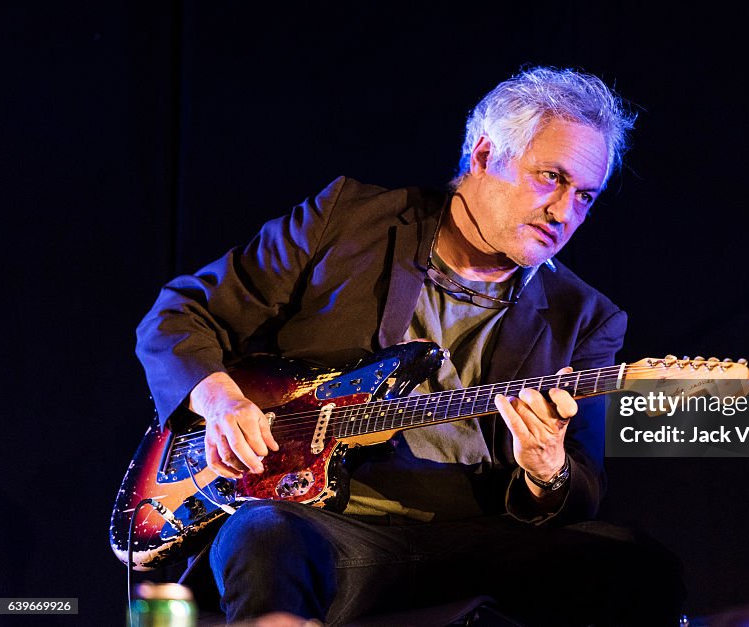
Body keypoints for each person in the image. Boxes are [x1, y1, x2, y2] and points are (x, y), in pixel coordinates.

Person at [136, 66, 684, 625]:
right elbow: (179, 315)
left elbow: (582, 487)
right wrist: (221, 401)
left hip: (476, 541)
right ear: (485, 155)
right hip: (323, 526)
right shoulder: (345, 221)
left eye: (585, 196)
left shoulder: (587, 317)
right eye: (549, 177)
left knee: (633, 561)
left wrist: (547, 471)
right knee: (262, 533)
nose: (564, 213)